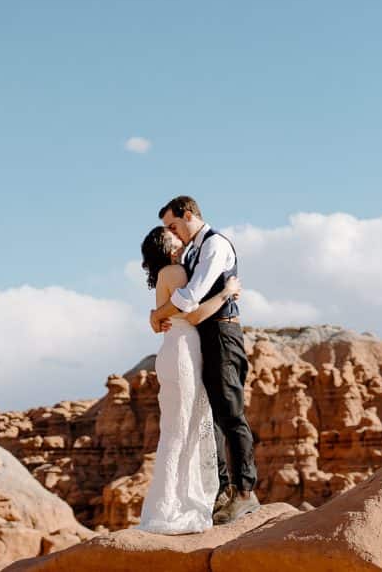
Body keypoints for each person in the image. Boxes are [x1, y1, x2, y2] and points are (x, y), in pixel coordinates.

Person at [148, 195, 260, 525]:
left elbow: (189, 298)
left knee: (230, 411)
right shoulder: (191, 252)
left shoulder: (214, 246)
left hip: (223, 334)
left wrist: (157, 314)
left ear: (188, 215)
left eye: (173, 225)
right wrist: (159, 316)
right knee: (209, 418)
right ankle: (222, 491)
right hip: (202, 339)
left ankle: (244, 493)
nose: (173, 232)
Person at [134, 224, 242, 534]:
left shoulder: (165, 275)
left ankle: (173, 504)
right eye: (173, 237)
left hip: (174, 351)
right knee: (183, 429)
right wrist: (226, 292)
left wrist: (155, 317)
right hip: (183, 352)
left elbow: (159, 321)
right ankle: (175, 508)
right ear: (166, 247)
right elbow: (193, 314)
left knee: (178, 428)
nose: (179, 239)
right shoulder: (176, 272)